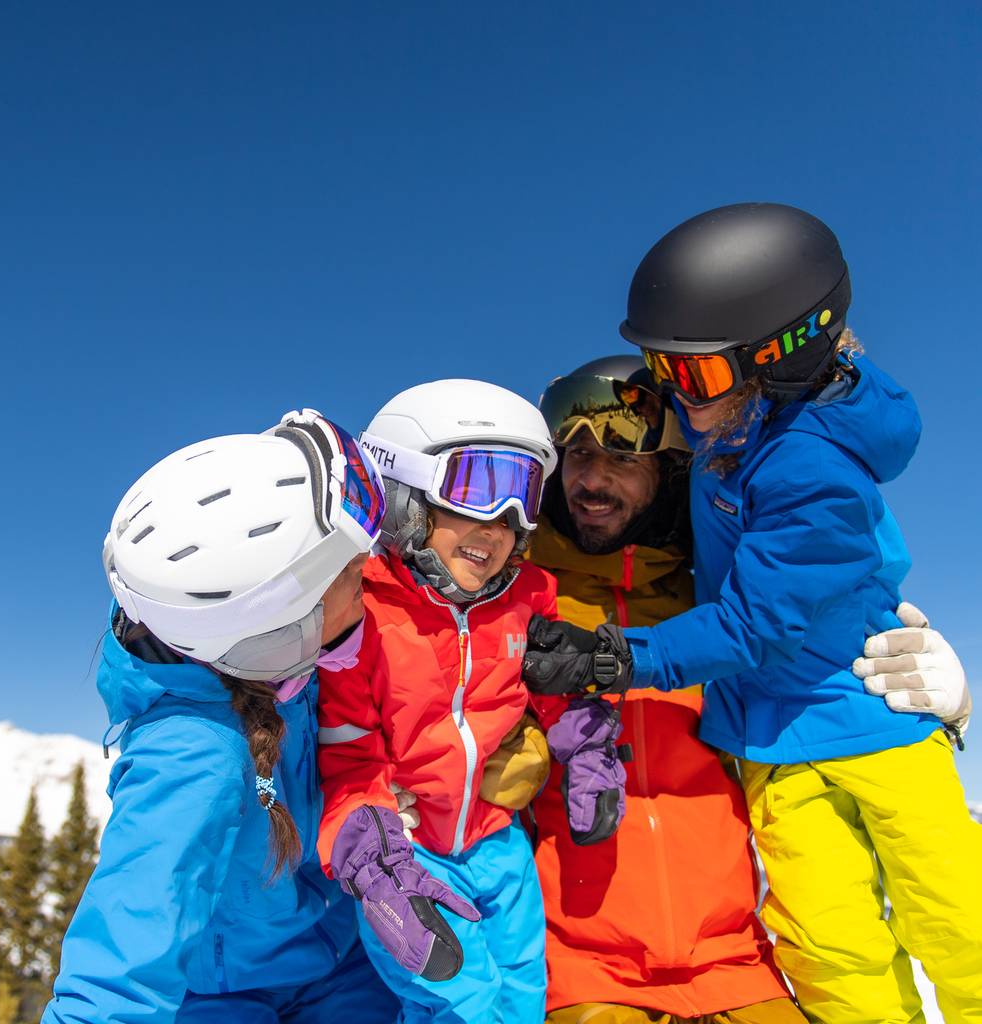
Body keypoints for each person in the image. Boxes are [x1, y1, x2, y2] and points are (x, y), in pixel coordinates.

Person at [521, 203, 982, 1022]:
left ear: (777, 364)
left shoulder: (803, 464)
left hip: (864, 726)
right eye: (664, 373)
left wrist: (614, 657)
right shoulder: (722, 440)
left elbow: (755, 620)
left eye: (688, 380)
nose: (675, 398)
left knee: (955, 917)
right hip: (764, 749)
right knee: (828, 942)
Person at [43, 411, 400, 1024]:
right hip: (229, 998)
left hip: (342, 965)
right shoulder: (195, 754)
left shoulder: (293, 674)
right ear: (275, 627)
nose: (369, 581)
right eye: (347, 573)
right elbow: (122, 956)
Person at [488, 355, 804, 1023]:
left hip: (738, 962)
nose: (592, 479)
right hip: (580, 969)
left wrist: (899, 688)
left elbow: (805, 673)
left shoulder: (716, 607)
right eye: (575, 456)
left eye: (622, 459)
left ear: (666, 474)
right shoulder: (514, 602)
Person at [316, 379, 590, 1023]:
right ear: (406, 494)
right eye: (474, 490)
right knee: (458, 1004)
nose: (497, 526)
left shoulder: (527, 597)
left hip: (499, 844)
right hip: (411, 856)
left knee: (523, 998)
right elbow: (349, 756)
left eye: (521, 499)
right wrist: (373, 850)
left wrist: (587, 737)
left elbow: (550, 686)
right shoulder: (364, 609)